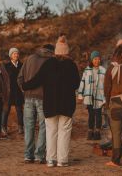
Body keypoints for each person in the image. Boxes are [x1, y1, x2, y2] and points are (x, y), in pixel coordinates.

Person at [22, 36, 80, 167]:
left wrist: (24, 86)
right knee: (64, 132)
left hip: (50, 104)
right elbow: (76, 84)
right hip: (67, 104)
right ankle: (62, 160)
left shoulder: (48, 64)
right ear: (66, 52)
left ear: (56, 51)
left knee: (51, 131)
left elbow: (37, 80)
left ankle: (50, 159)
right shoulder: (71, 65)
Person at [17, 44, 54, 164]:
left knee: (28, 126)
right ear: (52, 51)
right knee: (43, 126)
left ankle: (28, 155)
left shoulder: (30, 58)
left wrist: (25, 90)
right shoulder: (51, 61)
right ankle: (39, 155)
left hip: (28, 97)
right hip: (43, 98)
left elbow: (20, 78)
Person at [78, 51, 106, 140]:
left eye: (98, 59)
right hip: (89, 96)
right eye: (95, 59)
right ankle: (90, 131)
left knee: (98, 115)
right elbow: (82, 82)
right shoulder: (87, 70)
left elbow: (106, 85)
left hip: (99, 96)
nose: (96, 61)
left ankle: (97, 132)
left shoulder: (103, 70)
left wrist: (105, 98)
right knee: (91, 115)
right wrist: (80, 94)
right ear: (92, 60)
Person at [2, 48, 24, 134]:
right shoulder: (6, 66)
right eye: (14, 54)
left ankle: (20, 127)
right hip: (9, 91)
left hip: (18, 91)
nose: (16, 55)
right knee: (6, 110)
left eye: (17, 54)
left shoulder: (22, 65)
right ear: (10, 55)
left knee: (19, 110)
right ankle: (3, 127)